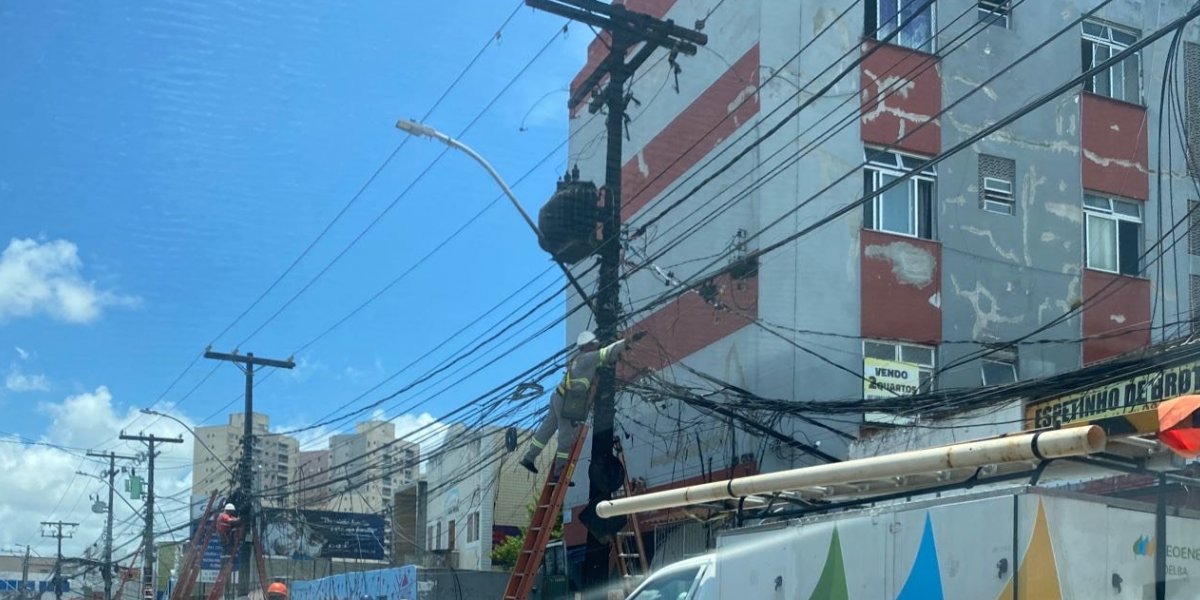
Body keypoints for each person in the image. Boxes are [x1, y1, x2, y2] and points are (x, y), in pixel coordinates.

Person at [520, 329, 645, 478]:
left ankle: (529, 457)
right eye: (593, 344)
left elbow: (602, 359)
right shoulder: (588, 358)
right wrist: (626, 342)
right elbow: (606, 353)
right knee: (566, 435)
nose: (595, 346)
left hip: (558, 396)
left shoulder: (577, 359)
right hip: (567, 401)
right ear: (586, 346)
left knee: (547, 429)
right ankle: (559, 472)